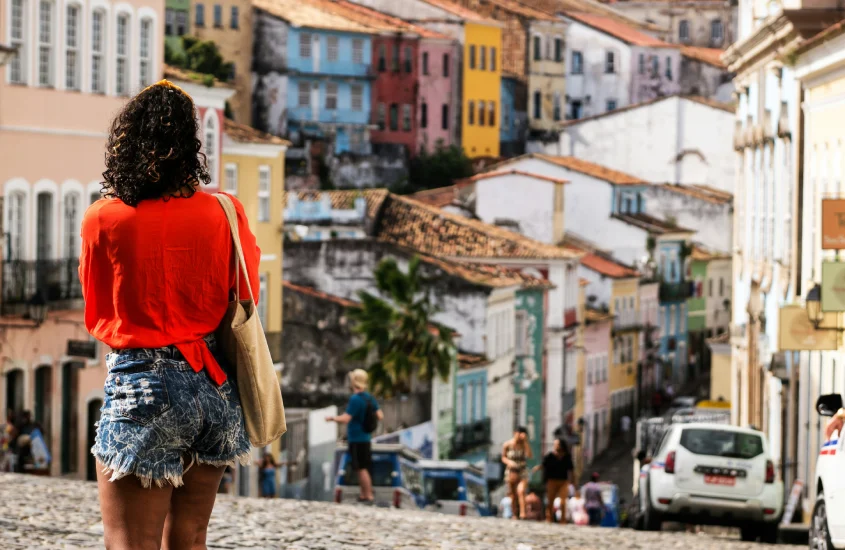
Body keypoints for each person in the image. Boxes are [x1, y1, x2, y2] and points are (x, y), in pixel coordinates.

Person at [81, 80, 258, 549]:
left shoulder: (104, 217)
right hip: (215, 388)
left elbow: (98, 310)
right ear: (191, 144)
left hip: (144, 385)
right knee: (189, 539)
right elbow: (246, 293)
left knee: (129, 542)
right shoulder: (225, 212)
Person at [326, 369, 383, 503]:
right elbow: (380, 415)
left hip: (356, 438)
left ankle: (367, 494)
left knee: (360, 468)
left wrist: (332, 418)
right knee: (363, 467)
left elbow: (346, 418)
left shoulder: (355, 399)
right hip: (366, 437)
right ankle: (364, 494)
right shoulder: (369, 398)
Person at [532, 438, 574, 523]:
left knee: (563, 501)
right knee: (550, 500)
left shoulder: (567, 456)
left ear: (561, 445)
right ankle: (549, 518)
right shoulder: (550, 456)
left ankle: (563, 520)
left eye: (557, 444)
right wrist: (537, 468)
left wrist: (573, 481)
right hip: (552, 481)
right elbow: (544, 464)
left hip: (563, 481)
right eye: (554, 444)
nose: (555, 446)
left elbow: (571, 469)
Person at [502, 427, 533, 520]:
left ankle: (523, 513)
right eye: (519, 433)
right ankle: (514, 513)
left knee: (521, 491)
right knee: (512, 494)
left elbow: (530, 455)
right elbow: (503, 457)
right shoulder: (507, 444)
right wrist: (509, 462)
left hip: (522, 470)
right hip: (511, 471)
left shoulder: (524, 444)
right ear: (515, 433)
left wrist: (526, 442)